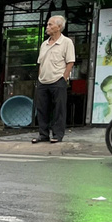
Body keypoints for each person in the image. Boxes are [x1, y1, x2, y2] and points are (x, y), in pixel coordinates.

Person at [32, 15, 75, 144]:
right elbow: (40, 63)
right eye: (48, 24)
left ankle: (57, 135)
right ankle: (43, 134)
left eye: (51, 25)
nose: (48, 27)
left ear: (59, 27)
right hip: (43, 81)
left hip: (58, 80)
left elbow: (70, 62)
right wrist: (39, 79)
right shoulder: (44, 44)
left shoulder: (66, 42)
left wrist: (64, 78)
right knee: (42, 109)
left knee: (59, 110)